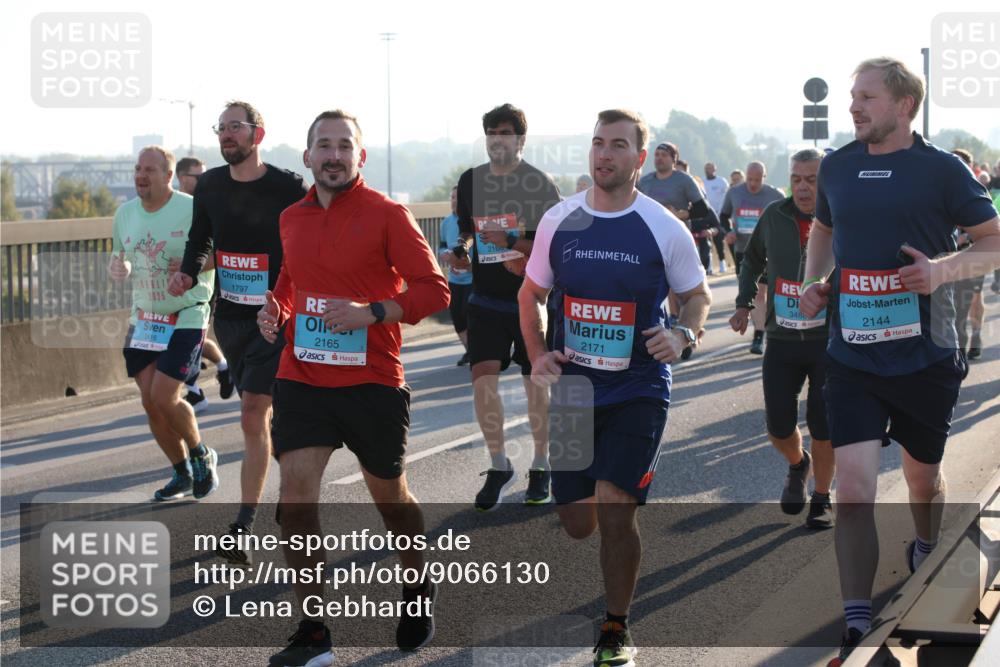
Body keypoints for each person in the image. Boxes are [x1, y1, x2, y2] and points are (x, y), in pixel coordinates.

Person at [797, 57, 1000, 666]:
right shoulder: (836, 165)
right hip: (852, 355)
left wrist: (939, 271)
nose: (853, 106)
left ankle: (928, 540)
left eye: (867, 97)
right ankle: (857, 620)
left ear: (905, 105)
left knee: (920, 477)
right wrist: (815, 281)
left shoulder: (941, 170)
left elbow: (994, 242)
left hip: (925, 355)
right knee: (855, 488)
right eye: (852, 96)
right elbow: (823, 231)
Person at [519, 109, 711, 667]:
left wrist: (683, 333)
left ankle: (615, 625)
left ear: (639, 158)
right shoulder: (560, 221)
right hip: (576, 392)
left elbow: (698, 296)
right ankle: (608, 502)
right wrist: (537, 354)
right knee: (580, 523)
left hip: (638, 387)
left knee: (616, 507)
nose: (604, 154)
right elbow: (530, 294)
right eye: (598, 144)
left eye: (618, 145)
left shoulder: (662, 226)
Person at [258, 109, 449, 666]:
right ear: (308, 157)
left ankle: (417, 583)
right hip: (303, 376)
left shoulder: (389, 214)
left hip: (372, 380)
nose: (334, 155)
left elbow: (434, 291)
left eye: (345, 146)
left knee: (390, 500)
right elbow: (292, 280)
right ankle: (314, 630)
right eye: (324, 145)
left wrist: (373, 312)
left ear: (360, 157)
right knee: (294, 503)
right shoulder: (291, 217)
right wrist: (277, 309)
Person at [169, 100, 308, 565]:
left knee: (252, 413)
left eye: (235, 127)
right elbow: (200, 239)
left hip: (275, 315)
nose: (226, 135)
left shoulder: (286, 186)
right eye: (221, 128)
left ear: (257, 135)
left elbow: (305, 239)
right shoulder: (209, 184)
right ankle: (282, 494)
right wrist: (188, 273)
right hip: (228, 316)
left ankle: (242, 524)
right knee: (263, 418)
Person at [452, 104, 562, 510]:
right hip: (484, 297)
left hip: (530, 298)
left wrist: (511, 241)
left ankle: (540, 464)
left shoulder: (538, 184)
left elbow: (553, 248)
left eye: (504, 132)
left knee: (535, 386)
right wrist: (461, 251)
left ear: (520, 139)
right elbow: (467, 227)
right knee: (483, 381)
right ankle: (499, 464)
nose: (496, 140)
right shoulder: (471, 181)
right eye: (490, 133)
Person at [729, 148, 834, 529]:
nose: (804, 187)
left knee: (824, 426)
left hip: (828, 340)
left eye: (812, 179)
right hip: (783, 338)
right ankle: (797, 463)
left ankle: (821, 497)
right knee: (778, 425)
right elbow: (752, 260)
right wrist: (743, 304)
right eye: (797, 179)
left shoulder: (842, 216)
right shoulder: (775, 216)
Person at [110, 146, 218, 501]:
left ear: (168, 176)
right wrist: (119, 268)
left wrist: (190, 267)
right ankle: (181, 472)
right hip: (144, 317)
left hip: (186, 313)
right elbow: (120, 258)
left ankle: (201, 455)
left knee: (164, 394)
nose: (141, 175)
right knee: (150, 402)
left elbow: (218, 254)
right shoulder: (124, 213)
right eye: (138, 168)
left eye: (150, 170)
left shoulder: (191, 208)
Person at [174, 156, 234, 408]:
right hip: (172, 287)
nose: (203, 181)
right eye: (197, 177)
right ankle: (223, 367)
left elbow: (225, 250)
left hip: (203, 285)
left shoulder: (211, 203)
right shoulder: (174, 206)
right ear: (180, 177)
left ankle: (194, 390)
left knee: (188, 335)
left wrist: (190, 267)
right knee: (185, 335)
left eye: (204, 176)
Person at [721, 162, 785, 354]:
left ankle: (759, 336)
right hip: (743, 250)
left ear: (764, 178)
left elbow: (787, 220)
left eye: (757, 180)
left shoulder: (775, 195)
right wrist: (728, 232)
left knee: (760, 294)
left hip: (767, 252)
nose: (753, 184)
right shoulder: (734, 193)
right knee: (749, 292)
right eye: (749, 179)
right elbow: (723, 216)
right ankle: (762, 330)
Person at [950, 149, 987, 360]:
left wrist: (966, 238)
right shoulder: (940, 188)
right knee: (953, 304)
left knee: (973, 298)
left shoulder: (977, 189)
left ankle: (977, 336)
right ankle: (957, 348)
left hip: (973, 254)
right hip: (948, 257)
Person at [438, 185, 472, 365]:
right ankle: (470, 351)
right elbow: (441, 246)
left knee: (468, 313)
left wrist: (469, 264)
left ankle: (476, 351)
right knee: (457, 318)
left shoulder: (472, 222)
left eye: (457, 198)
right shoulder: (446, 222)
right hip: (454, 278)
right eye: (451, 197)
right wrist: (444, 254)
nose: (454, 201)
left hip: (473, 278)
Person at [703, 162, 730, 273]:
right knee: (706, 239)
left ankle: (722, 262)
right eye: (707, 168)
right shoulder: (703, 182)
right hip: (706, 215)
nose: (709, 170)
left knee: (719, 240)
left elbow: (727, 196)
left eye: (711, 168)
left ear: (715, 169)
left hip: (719, 215)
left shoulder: (722, 182)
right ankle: (709, 265)